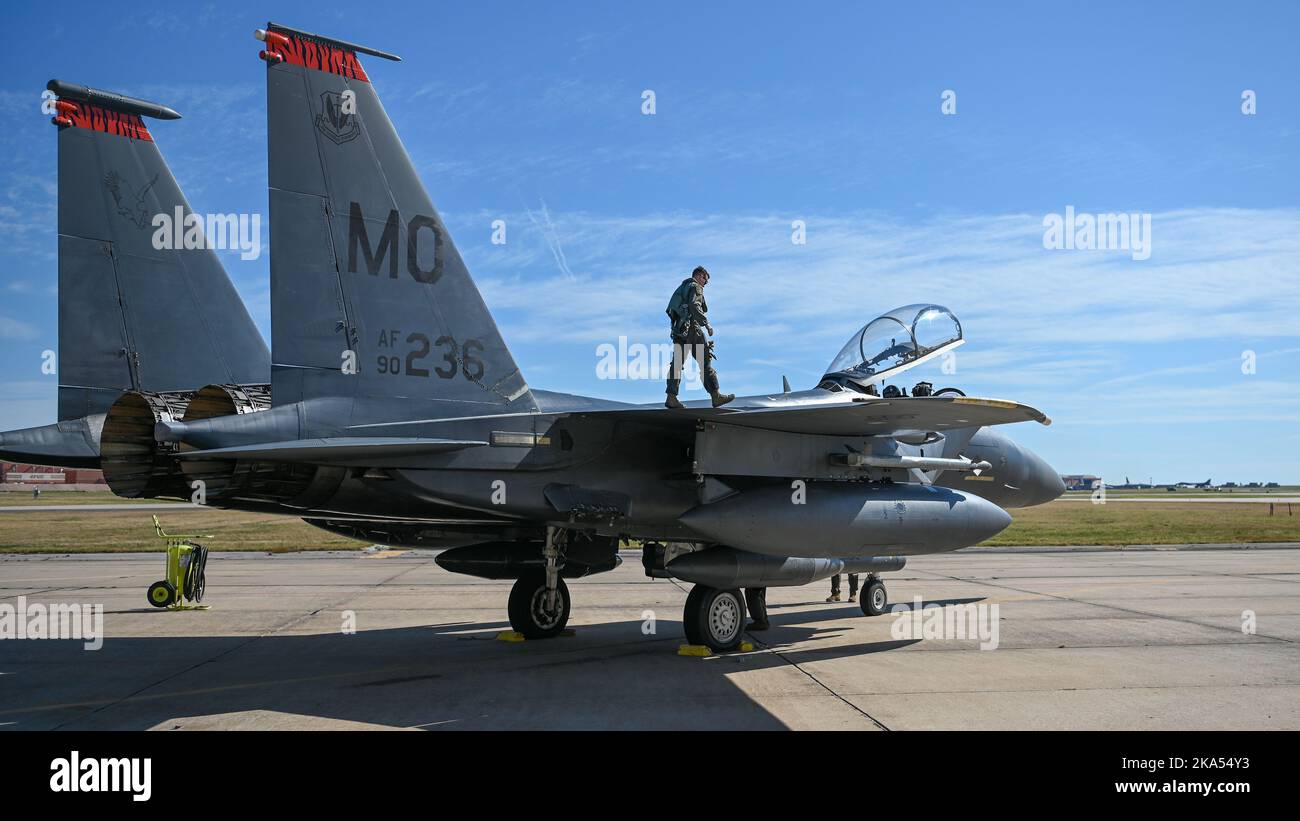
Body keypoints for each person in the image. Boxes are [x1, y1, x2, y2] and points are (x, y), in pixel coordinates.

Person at [664, 266, 734, 409]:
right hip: (692, 330)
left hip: (679, 331)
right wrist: (706, 324)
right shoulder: (695, 287)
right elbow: (694, 306)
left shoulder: (682, 287)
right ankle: (716, 396)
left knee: (677, 364)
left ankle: (671, 398)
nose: (705, 283)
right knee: (705, 362)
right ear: (700, 275)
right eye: (705, 280)